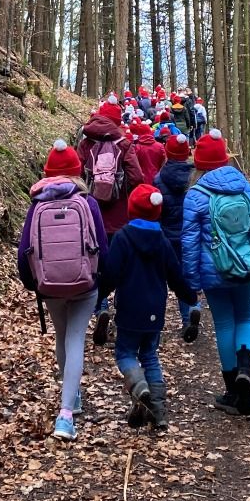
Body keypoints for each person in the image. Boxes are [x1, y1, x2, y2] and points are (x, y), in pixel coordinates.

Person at [18, 140, 109, 442]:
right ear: (77, 172)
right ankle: (66, 413)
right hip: (85, 284)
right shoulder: (88, 202)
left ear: (47, 173)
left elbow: (24, 252)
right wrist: (102, 284)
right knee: (75, 339)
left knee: (62, 335)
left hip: (49, 285)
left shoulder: (37, 205)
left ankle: (73, 398)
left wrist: (34, 284)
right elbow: (102, 248)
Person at [181, 129, 250, 416]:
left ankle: (233, 391)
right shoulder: (243, 185)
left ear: (199, 164)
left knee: (223, 324)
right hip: (247, 266)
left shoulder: (195, 195)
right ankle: (246, 369)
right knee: (246, 317)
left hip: (214, 272)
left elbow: (189, 244)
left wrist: (191, 282)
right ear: (225, 158)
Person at [98, 183, 196, 432]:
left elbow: (111, 274)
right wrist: (190, 297)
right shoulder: (162, 241)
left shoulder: (123, 238)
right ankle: (158, 411)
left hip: (129, 310)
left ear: (131, 209)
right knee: (150, 356)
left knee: (125, 353)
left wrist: (98, 297)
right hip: (155, 311)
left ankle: (140, 387)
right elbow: (175, 276)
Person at [77, 97, 144, 344]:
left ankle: (101, 306)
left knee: (97, 263)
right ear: (116, 121)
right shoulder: (124, 144)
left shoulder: (86, 143)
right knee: (122, 264)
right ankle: (122, 308)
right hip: (120, 217)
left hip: (92, 215)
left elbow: (75, 174)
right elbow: (137, 177)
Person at [156, 132, 201, 341]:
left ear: (167, 153)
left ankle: (157, 319)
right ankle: (192, 310)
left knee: (166, 278)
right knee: (188, 275)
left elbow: (156, 211)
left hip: (167, 237)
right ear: (187, 154)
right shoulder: (196, 178)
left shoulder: (158, 179)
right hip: (192, 235)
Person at [131, 118, 167, 182]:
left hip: (142, 180)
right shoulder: (160, 146)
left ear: (139, 134)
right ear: (150, 132)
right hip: (157, 179)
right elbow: (164, 163)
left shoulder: (137, 148)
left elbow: (134, 166)